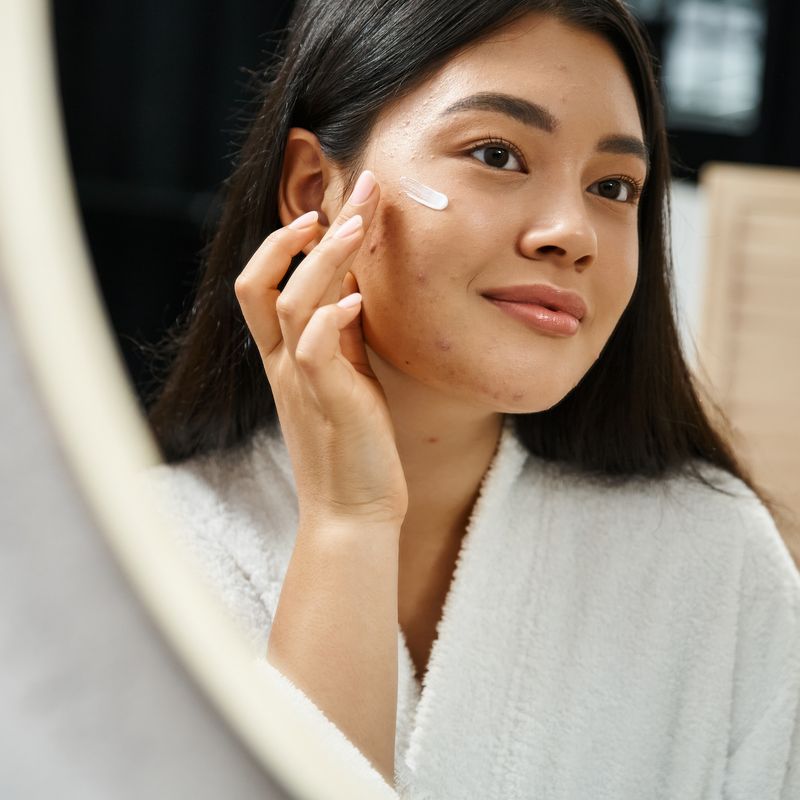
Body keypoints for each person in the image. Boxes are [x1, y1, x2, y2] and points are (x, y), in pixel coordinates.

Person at [143, 0, 800, 796]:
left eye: (615, 187)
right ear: (315, 187)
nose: (573, 232)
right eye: (496, 153)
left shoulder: (712, 559)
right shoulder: (133, 555)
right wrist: (348, 524)